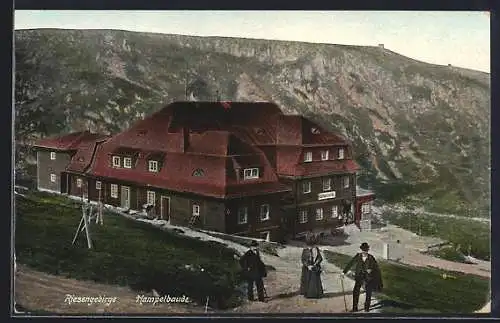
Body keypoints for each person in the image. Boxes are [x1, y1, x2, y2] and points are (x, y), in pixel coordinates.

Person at [341, 242, 383, 312]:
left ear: (368, 250)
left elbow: (376, 267)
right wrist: (344, 272)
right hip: (359, 276)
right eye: (363, 250)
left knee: (368, 292)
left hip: (368, 277)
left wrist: (371, 270)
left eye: (365, 250)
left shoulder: (371, 257)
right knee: (356, 292)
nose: (364, 252)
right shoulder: (358, 256)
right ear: (361, 250)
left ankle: (367, 308)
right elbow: (351, 263)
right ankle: (355, 308)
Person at [299, 234, 324, 298]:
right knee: (308, 280)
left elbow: (320, 258)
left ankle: (316, 294)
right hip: (307, 268)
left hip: (315, 268)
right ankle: (308, 294)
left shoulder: (316, 249)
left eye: (313, 245)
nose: (312, 247)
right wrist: (308, 266)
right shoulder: (305, 250)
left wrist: (316, 263)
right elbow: (303, 259)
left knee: (315, 282)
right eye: (310, 246)